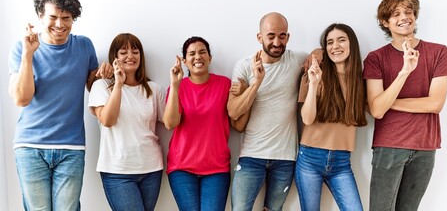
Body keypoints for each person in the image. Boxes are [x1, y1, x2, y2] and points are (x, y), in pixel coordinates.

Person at [8, 0, 112, 210]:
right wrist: (28, 54)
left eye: (66, 18)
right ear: (40, 16)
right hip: (30, 146)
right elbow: (21, 98)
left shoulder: (84, 46)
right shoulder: (21, 48)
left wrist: (105, 74)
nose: (59, 24)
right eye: (53, 17)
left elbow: (92, 88)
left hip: (71, 147)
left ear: (73, 18)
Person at [363, 0, 447, 211]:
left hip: (425, 146)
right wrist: (405, 71)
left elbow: (435, 104)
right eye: (395, 14)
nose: (404, 17)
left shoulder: (439, 52)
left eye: (408, 11)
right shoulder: (376, 58)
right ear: (385, 22)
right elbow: (377, 110)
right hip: (389, 145)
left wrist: (388, 102)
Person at [228, 12, 306, 211]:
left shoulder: (296, 60)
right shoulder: (245, 66)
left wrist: (318, 53)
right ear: (259, 37)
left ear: (288, 37)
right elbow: (233, 113)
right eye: (271, 36)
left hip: (285, 158)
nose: (277, 42)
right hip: (251, 155)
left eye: (282, 36)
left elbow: (319, 54)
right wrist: (256, 83)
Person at [88, 33, 165, 211]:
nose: (130, 56)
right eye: (123, 52)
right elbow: (107, 120)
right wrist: (119, 84)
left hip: (151, 169)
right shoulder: (101, 86)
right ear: (114, 57)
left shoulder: (154, 89)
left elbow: (169, 122)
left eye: (135, 51)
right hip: (117, 171)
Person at [295, 23, 367, 211]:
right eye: (329, 42)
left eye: (341, 40)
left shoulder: (359, 80)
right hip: (310, 158)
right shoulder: (316, 71)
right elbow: (307, 119)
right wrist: (313, 84)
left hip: (342, 162)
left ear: (352, 44)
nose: (335, 46)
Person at [163, 36, 233, 211]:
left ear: (210, 57)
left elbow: (237, 117)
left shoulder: (225, 84)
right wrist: (175, 84)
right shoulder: (177, 88)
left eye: (202, 52)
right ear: (185, 61)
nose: (198, 57)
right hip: (182, 168)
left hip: (217, 168)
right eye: (192, 54)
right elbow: (170, 123)